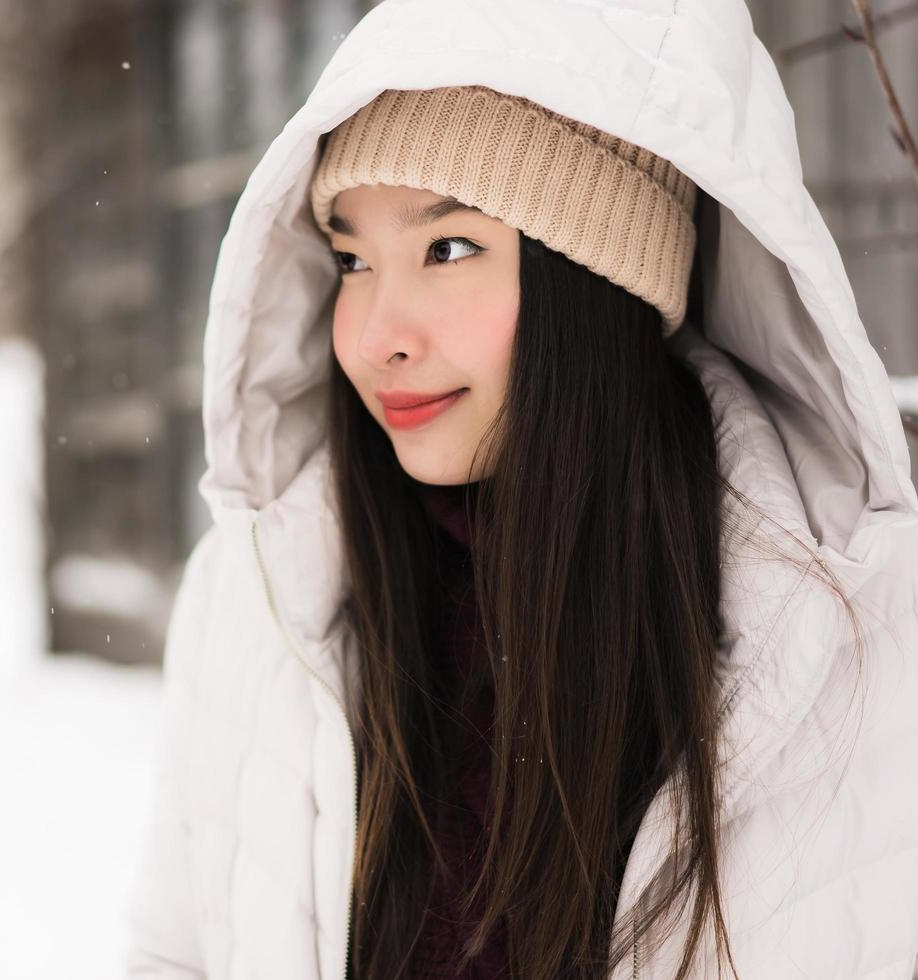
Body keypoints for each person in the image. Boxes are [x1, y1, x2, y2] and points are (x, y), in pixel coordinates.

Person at [123, 2, 918, 979]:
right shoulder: (261, 597)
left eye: (447, 248)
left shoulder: (853, 628)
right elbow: (173, 953)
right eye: (351, 258)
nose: (377, 334)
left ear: (600, 276)